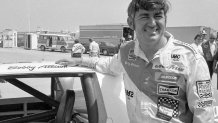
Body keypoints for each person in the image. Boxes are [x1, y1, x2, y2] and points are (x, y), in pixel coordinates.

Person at [56, 0, 215, 122]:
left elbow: (204, 111)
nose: (152, 23)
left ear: (165, 20)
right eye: (145, 16)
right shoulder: (126, 51)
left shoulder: (190, 58)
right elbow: (107, 66)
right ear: (131, 22)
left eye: (158, 16)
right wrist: (79, 61)